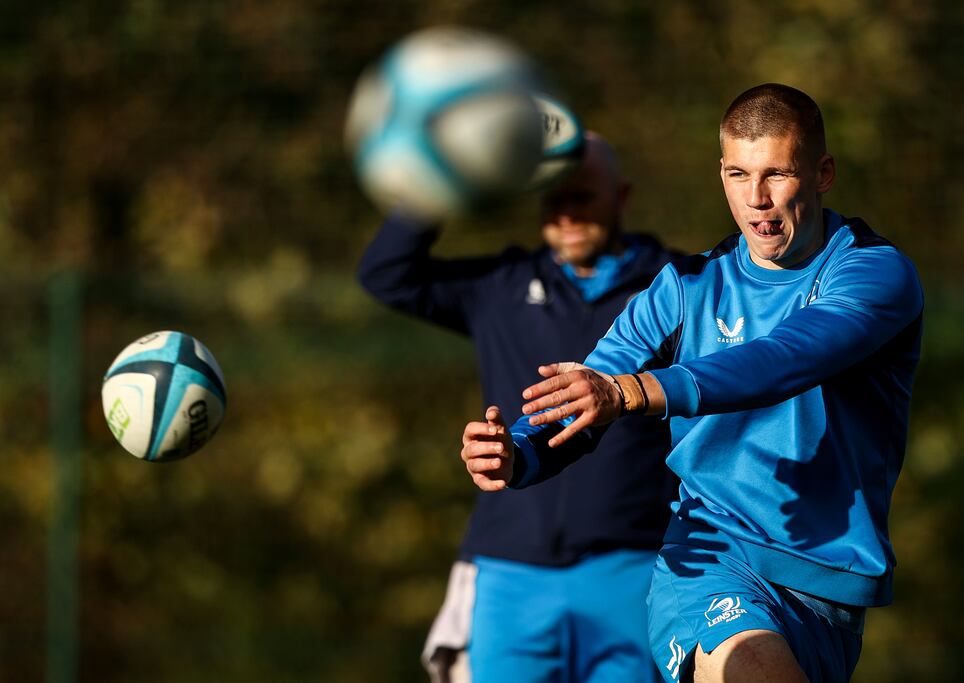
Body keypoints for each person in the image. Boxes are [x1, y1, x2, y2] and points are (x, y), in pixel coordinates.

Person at [461, 84, 924, 683]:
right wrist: (517, 451)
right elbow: (589, 390)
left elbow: (784, 358)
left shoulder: (873, 273)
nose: (756, 200)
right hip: (711, 559)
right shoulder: (683, 287)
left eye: (777, 174)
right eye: (737, 175)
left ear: (823, 172)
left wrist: (634, 391)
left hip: (829, 586)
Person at [358, 132, 687, 682]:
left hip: (638, 567)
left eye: (581, 194)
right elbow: (386, 274)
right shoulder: (502, 285)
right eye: (551, 197)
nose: (565, 213)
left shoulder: (677, 285)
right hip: (510, 571)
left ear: (622, 196)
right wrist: (449, 173)